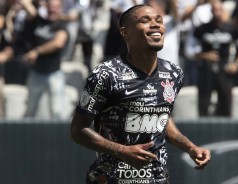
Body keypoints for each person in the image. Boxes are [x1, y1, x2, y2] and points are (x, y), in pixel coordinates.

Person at [70, 4, 211, 184]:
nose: (155, 24)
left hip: (157, 178)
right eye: (145, 20)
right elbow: (77, 130)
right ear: (125, 32)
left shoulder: (174, 73)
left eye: (159, 20)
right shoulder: (106, 74)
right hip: (111, 179)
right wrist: (122, 151)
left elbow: (162, 116)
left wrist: (190, 147)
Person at [192, 0, 238, 117]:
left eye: (219, 9)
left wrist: (237, 64)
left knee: (226, 104)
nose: (217, 13)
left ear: (223, 10)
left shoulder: (231, 28)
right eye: (215, 10)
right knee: (204, 105)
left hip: (225, 71)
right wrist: (204, 55)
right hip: (206, 71)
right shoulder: (202, 29)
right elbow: (189, 49)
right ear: (211, 11)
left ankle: (227, 132)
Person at [23, 0, 68, 119]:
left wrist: (36, 51)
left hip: (54, 73)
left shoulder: (61, 25)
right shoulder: (38, 21)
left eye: (55, 7)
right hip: (36, 72)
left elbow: (58, 43)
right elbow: (25, 4)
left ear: (60, 9)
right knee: (30, 110)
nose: (52, 9)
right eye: (50, 6)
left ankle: (59, 137)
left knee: (57, 111)